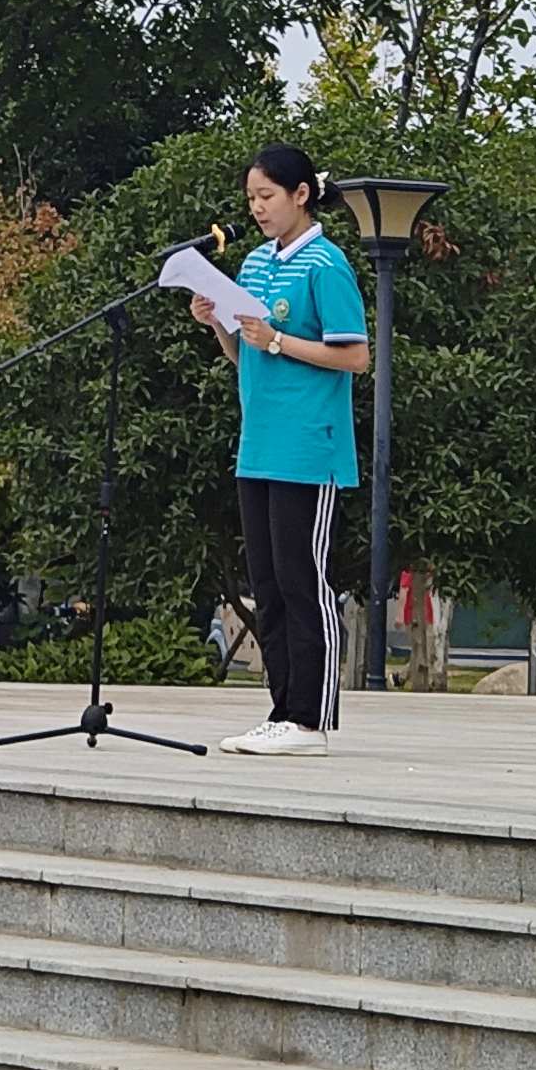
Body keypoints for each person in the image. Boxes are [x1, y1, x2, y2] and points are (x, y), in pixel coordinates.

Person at [186, 141, 371, 756]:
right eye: (251, 198)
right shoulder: (255, 263)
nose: (258, 208)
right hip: (258, 444)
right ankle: (280, 711)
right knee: (265, 583)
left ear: (301, 194)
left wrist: (277, 340)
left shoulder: (326, 263)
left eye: (267, 196)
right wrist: (217, 322)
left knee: (302, 580)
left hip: (308, 447)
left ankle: (311, 719)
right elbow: (245, 353)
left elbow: (355, 356)